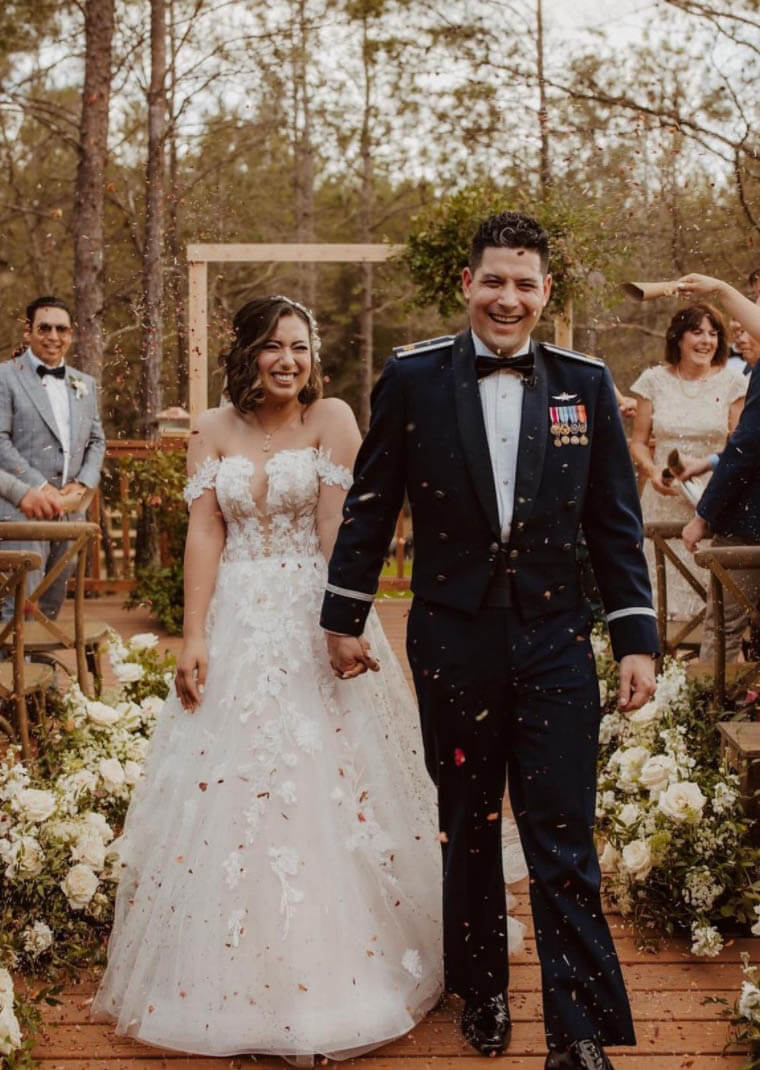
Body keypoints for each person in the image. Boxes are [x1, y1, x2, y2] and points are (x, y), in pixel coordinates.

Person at [91, 296, 527, 1061]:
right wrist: (193, 636)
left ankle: (342, 975)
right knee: (228, 793)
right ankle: (224, 984)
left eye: (299, 345)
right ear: (248, 353)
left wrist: (345, 625)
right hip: (236, 625)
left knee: (325, 786)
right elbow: (204, 532)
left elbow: (340, 528)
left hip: (311, 618)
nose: (288, 359)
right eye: (273, 346)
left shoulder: (331, 419)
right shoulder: (210, 430)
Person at [321, 212, 658, 1070]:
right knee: (466, 820)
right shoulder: (414, 377)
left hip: (554, 637)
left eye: (525, 283)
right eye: (495, 280)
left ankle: (577, 1031)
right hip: (452, 636)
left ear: (546, 292)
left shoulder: (586, 383)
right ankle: (485, 992)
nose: (509, 297)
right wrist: (343, 616)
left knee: (561, 829)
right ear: (466, 284)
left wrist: (635, 639)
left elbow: (614, 525)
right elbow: (371, 500)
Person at [628, 304, 747, 629]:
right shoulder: (653, 381)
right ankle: (664, 673)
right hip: (662, 502)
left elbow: (738, 446)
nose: (706, 341)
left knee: (712, 604)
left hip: (710, 503)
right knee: (659, 602)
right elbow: (638, 441)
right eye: (697, 332)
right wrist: (652, 472)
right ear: (678, 337)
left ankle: (703, 675)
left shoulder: (734, 383)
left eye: (713, 333)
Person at [0, 296, 105, 617]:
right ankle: (16, 668)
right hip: (22, 511)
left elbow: (98, 441)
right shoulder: (5, 376)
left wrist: (83, 484)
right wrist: (40, 486)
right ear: (28, 332)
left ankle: (44, 667)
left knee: (51, 605)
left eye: (62, 329)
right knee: (16, 606)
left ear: (71, 335)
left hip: (70, 515)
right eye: (44, 328)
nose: (54, 337)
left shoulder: (83, 383)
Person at [674, 275, 760, 662]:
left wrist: (705, 515)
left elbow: (746, 446)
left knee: (723, 624)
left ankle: (710, 712)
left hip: (750, 524)